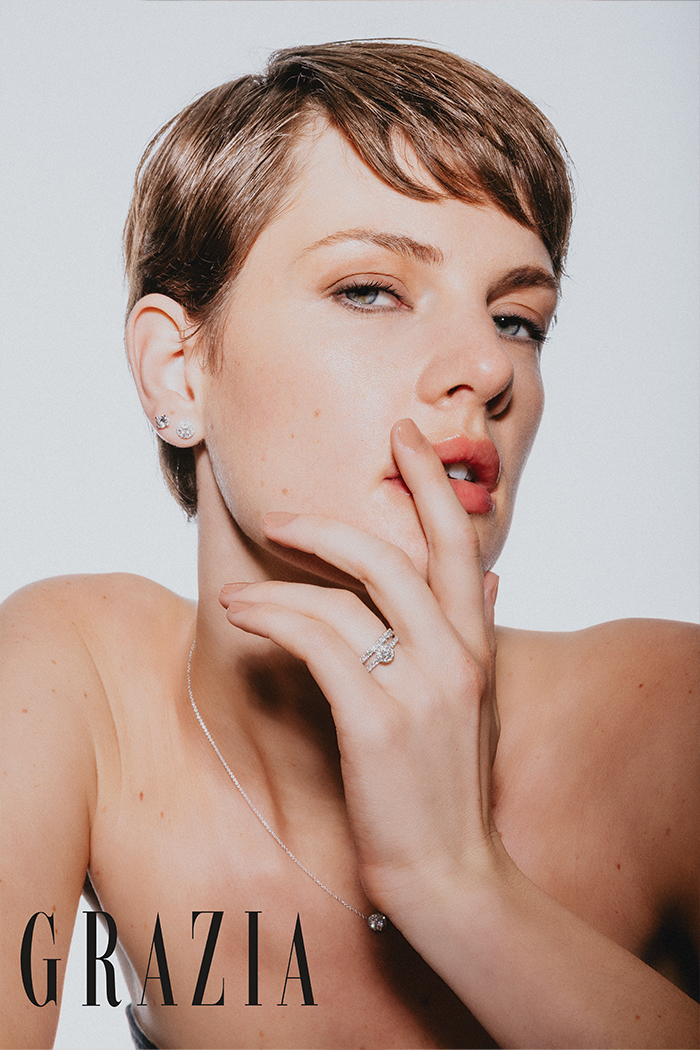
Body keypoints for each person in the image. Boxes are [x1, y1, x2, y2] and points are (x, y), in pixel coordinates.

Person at [1, 40, 697, 1050]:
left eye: (517, 318)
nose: (485, 367)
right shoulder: (82, 685)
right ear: (179, 372)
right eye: (370, 290)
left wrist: (456, 879)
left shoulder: (669, 722)